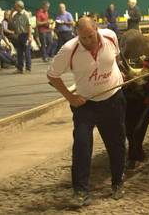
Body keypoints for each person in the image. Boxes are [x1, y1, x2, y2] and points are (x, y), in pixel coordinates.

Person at [47, 17, 127, 206]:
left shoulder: (110, 36)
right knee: (82, 145)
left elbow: (114, 57)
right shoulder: (69, 49)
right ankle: (80, 192)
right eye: (83, 38)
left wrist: (119, 71)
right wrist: (70, 97)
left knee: (116, 143)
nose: (88, 41)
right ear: (78, 35)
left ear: (97, 29)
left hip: (113, 98)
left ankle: (118, 183)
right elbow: (52, 75)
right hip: (85, 105)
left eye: (90, 36)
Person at [10, 0, 32, 73]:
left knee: (26, 52)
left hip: (25, 35)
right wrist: (11, 13)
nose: (14, 7)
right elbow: (10, 22)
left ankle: (28, 68)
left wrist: (29, 36)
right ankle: (20, 68)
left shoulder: (26, 14)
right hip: (19, 35)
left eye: (15, 6)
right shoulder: (16, 15)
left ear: (19, 6)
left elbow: (29, 25)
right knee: (19, 52)